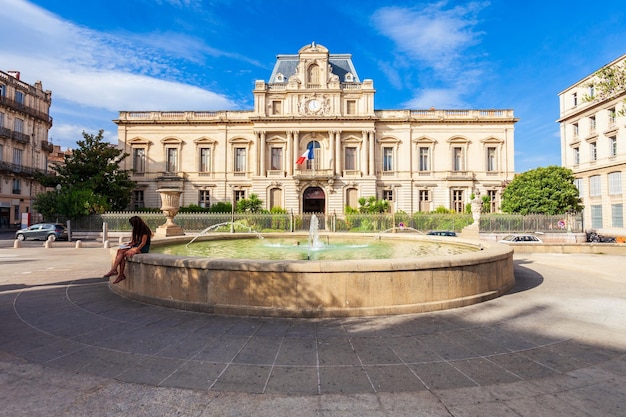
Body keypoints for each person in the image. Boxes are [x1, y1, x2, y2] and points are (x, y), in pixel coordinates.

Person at [103, 216, 152, 284]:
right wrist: (130, 244)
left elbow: (143, 243)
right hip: (136, 246)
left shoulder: (145, 230)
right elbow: (135, 241)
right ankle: (117, 272)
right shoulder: (136, 230)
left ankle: (117, 272)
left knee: (124, 254)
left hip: (143, 248)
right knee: (120, 251)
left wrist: (136, 250)